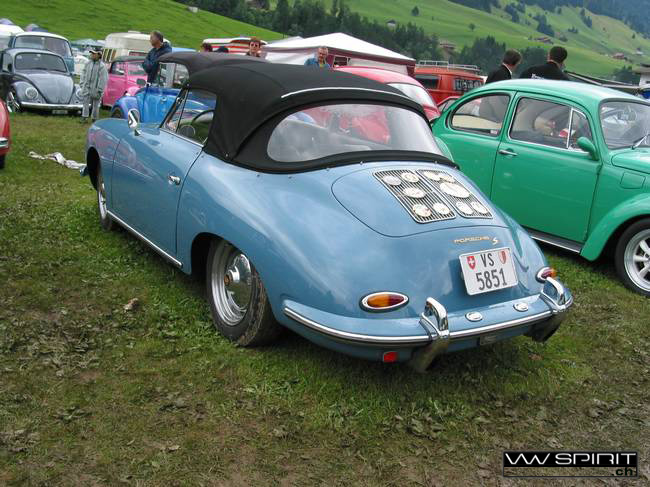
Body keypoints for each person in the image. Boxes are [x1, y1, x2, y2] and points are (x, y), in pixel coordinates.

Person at [79, 49, 108, 123]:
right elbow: (83, 73)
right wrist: (82, 83)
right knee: (85, 103)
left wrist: (100, 89)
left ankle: (94, 118)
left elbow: (103, 78)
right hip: (86, 87)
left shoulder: (102, 66)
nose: (92, 55)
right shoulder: (88, 63)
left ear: (99, 55)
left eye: (94, 54)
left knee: (96, 105)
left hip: (96, 88)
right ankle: (84, 117)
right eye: (91, 53)